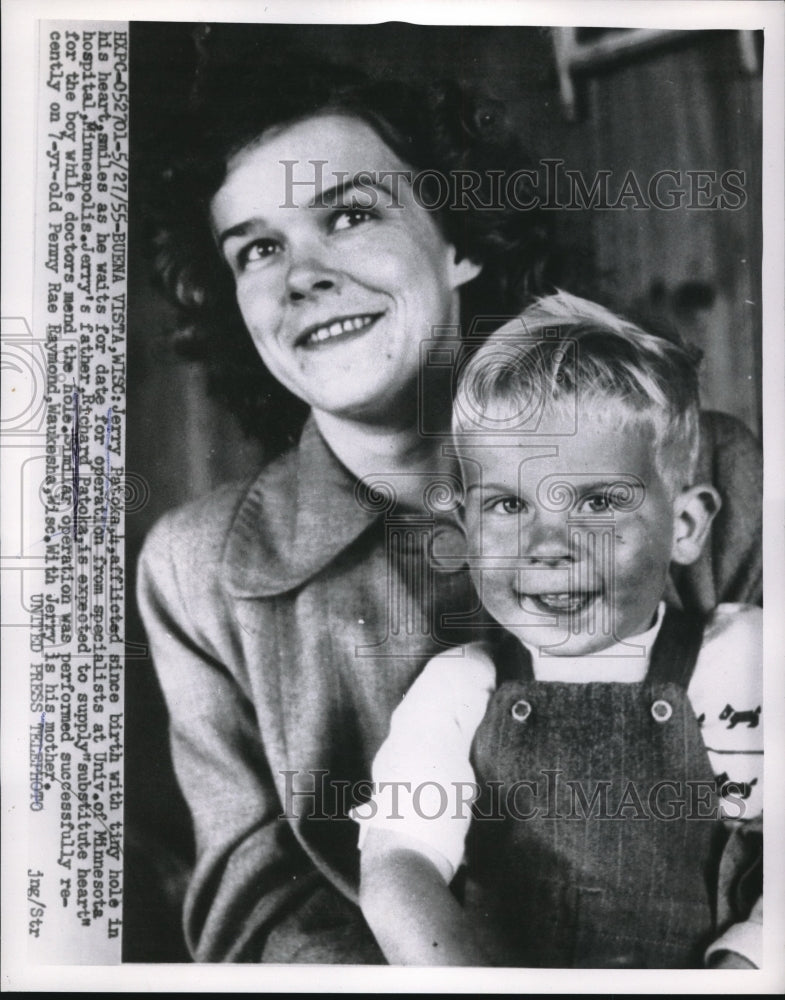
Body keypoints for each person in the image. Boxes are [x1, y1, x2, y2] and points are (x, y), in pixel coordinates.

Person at [136, 35, 761, 963]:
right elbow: (258, 914)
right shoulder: (197, 570)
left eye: (347, 216)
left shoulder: (711, 462)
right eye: (258, 248)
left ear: (460, 241)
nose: (300, 272)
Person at [355, 292, 763, 969]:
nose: (549, 545)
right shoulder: (460, 687)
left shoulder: (746, 658)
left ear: (685, 527)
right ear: (464, 528)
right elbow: (398, 865)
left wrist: (744, 965)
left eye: (598, 502)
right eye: (509, 505)